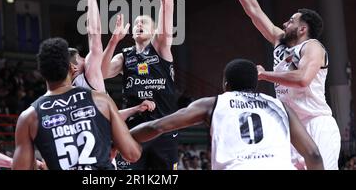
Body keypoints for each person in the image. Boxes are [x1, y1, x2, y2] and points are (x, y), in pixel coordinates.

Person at [214, 0, 341, 169]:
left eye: (291, 21)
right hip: (290, 125)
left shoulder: (314, 48)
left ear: (303, 29)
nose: (284, 23)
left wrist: (264, 75)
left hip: (316, 123)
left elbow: (303, 79)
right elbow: (252, 9)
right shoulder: (279, 40)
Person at [130, 59, 324, 170]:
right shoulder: (280, 106)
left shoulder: (213, 103)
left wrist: (117, 140)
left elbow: (157, 126)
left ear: (225, 85)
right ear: (255, 84)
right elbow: (314, 155)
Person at [101, 0, 178, 170]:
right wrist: (114, 40)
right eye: (135, 23)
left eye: (144, 22)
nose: (139, 24)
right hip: (133, 132)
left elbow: (167, 4)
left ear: (154, 31)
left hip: (164, 129)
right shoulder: (125, 56)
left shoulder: (161, 47)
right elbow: (102, 73)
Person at [12, 37, 141, 170]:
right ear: (72, 68)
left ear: (42, 73)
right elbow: (132, 154)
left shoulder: (28, 117)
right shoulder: (100, 100)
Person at [71, 0, 156, 120]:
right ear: (73, 67)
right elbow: (94, 32)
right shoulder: (89, 75)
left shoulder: (56, 94)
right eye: (80, 58)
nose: (85, 59)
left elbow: (111, 116)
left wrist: (136, 108)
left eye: (144, 22)